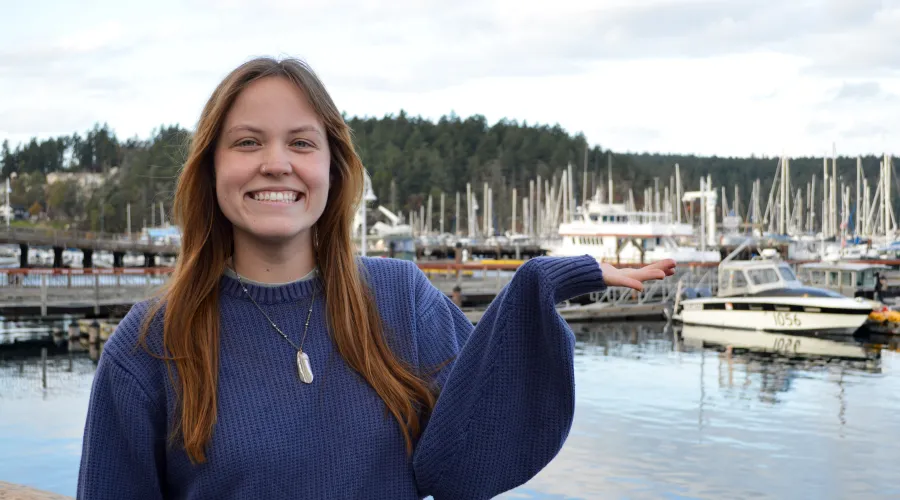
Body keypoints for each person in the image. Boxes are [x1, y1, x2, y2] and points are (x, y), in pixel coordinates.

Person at [76, 56, 676, 499]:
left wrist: (536, 289)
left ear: (333, 169)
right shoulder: (151, 343)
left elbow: (468, 464)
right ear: (211, 168)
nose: (276, 162)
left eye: (301, 142)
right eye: (248, 142)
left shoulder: (402, 300)